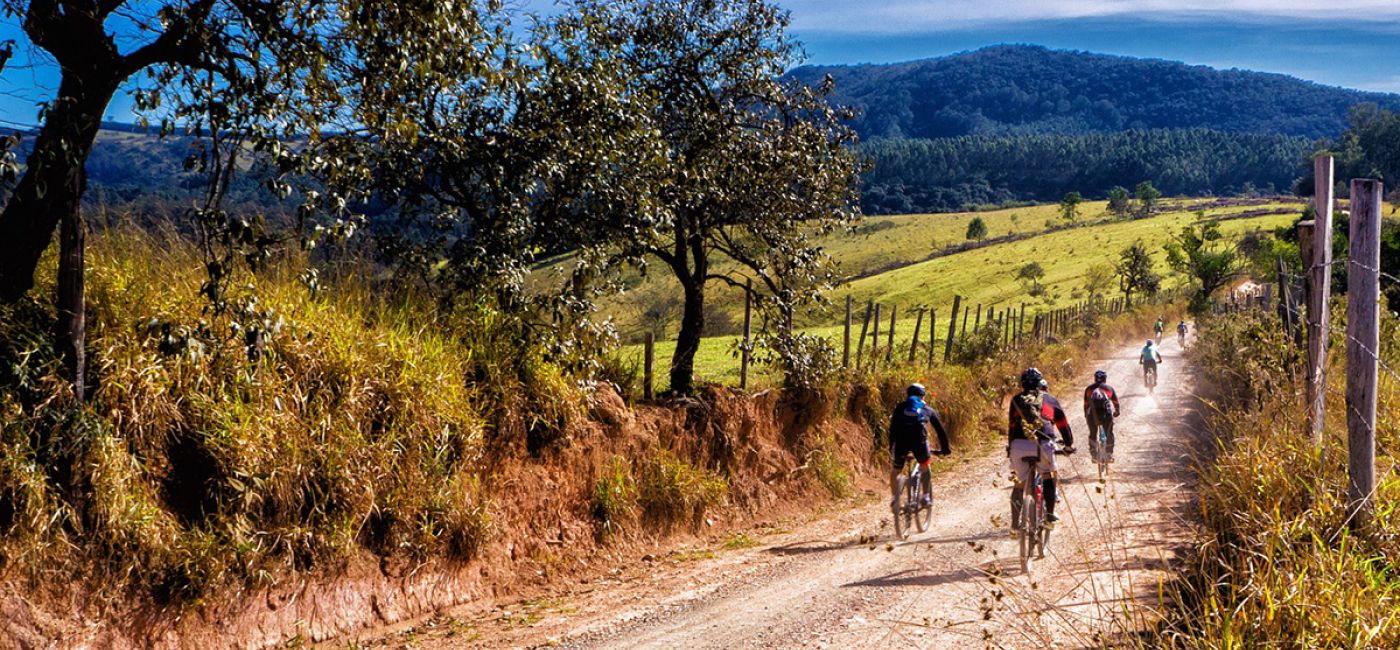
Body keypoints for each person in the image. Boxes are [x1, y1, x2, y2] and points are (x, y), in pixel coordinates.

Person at [1007, 368, 1072, 525]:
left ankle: (1015, 525)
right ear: (1039, 382)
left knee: (1019, 483)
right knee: (1048, 476)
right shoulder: (1050, 400)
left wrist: (1011, 447)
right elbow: (1063, 426)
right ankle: (1049, 514)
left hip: (1018, 445)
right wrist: (1068, 444)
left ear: (1022, 383)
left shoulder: (1015, 400)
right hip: (1043, 444)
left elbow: (1011, 427)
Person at [888, 383, 951, 512]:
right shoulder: (927, 409)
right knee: (925, 465)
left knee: (896, 470)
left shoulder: (900, 407)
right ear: (923, 396)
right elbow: (940, 431)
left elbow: (893, 428)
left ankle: (895, 498)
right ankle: (926, 496)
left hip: (901, 443)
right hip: (919, 443)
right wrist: (945, 449)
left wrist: (891, 446)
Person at [1083, 370, 1121, 462]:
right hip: (1106, 414)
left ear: (1095, 379)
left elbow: (1085, 404)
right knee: (1109, 433)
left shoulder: (1088, 389)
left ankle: (1094, 456)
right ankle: (1109, 454)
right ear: (1105, 379)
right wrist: (1117, 412)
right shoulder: (1109, 388)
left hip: (1092, 415)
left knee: (1092, 433)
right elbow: (1116, 403)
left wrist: (1086, 415)